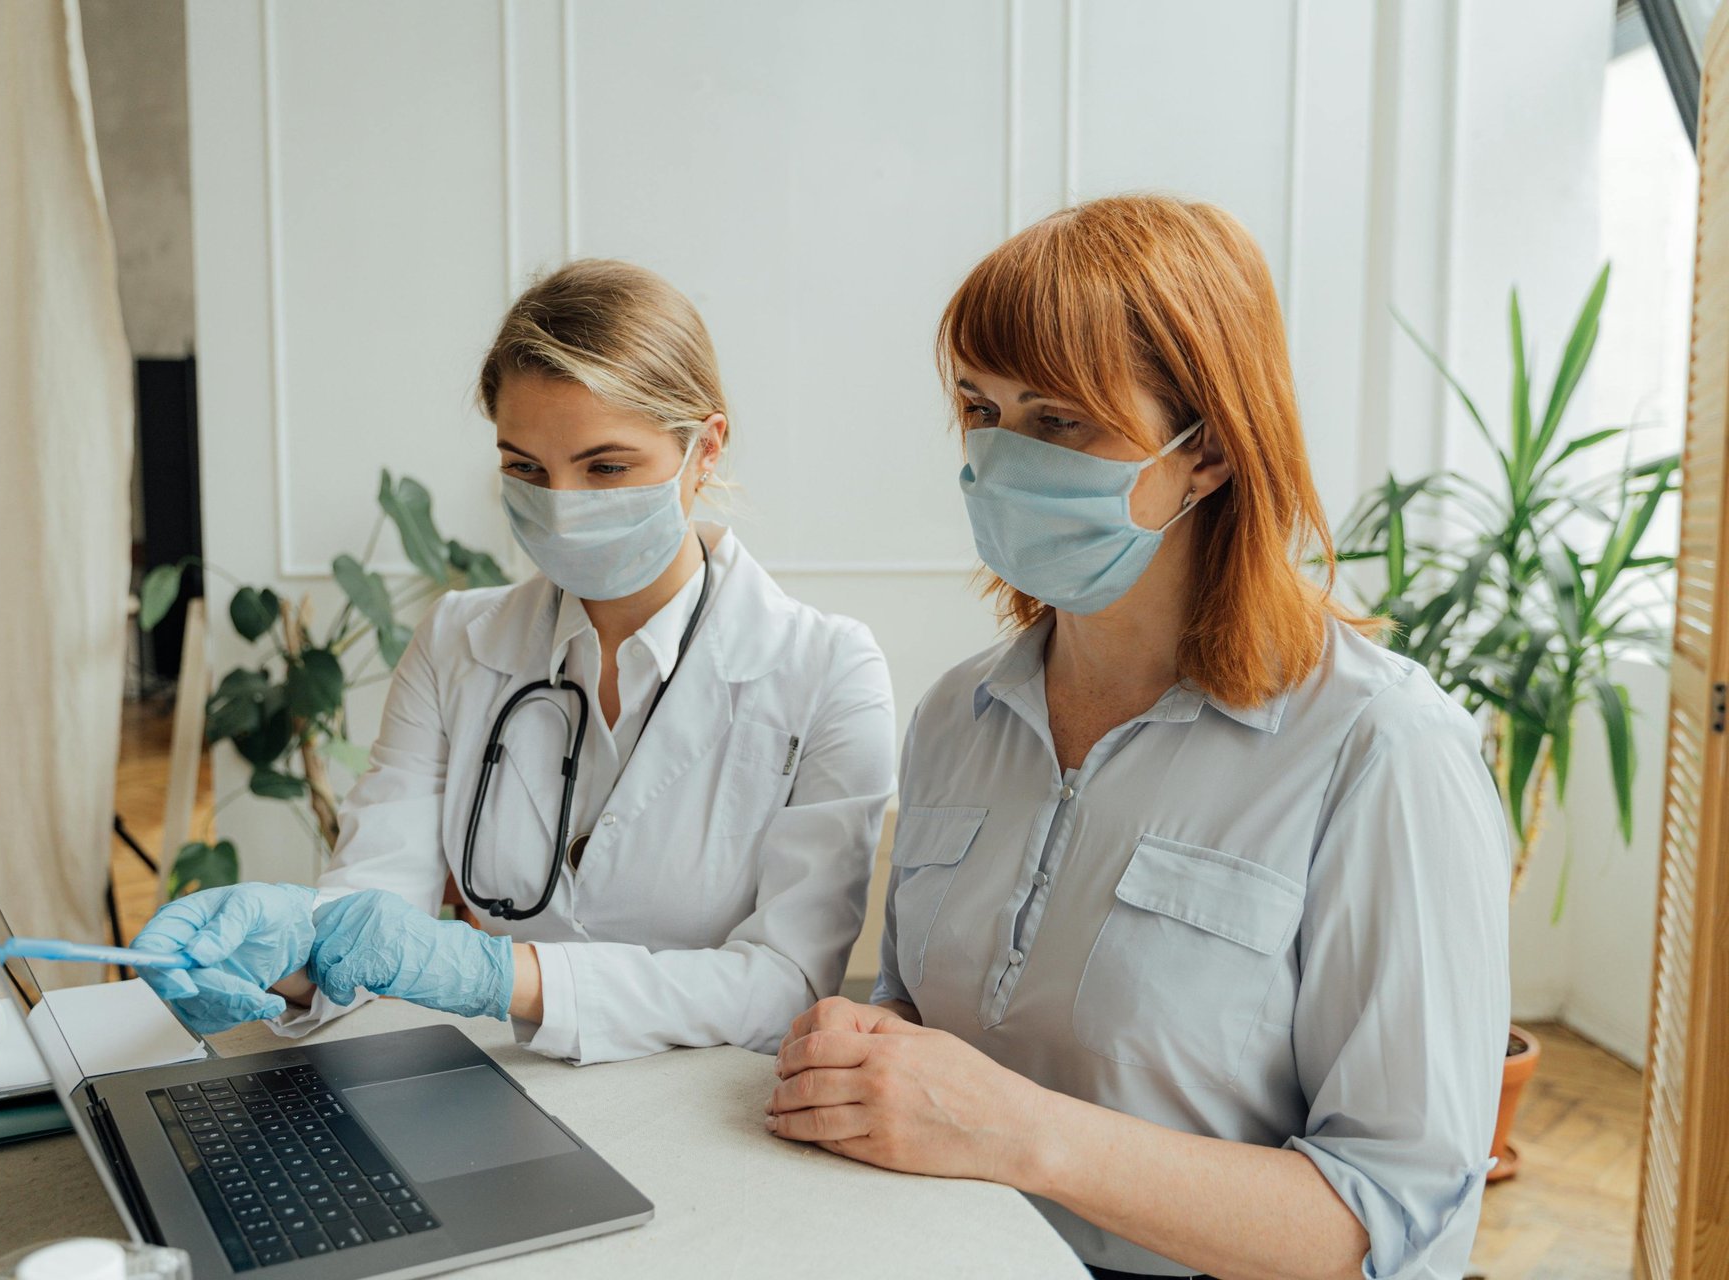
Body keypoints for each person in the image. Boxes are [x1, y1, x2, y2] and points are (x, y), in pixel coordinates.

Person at [765, 196, 1510, 1280]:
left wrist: (1023, 1132)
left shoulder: (1385, 749)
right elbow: (919, 1035)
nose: (999, 457)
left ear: (1205, 452)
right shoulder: (955, 716)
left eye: (1060, 420)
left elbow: (1383, 1216)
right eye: (980, 407)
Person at [135, 259, 895, 1065]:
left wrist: (504, 975)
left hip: (712, 1115)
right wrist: (283, 955)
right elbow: (373, 905)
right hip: (495, 1089)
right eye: (525, 469)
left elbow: (785, 985)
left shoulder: (826, 671)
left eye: (606, 467)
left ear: (705, 449)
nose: (562, 507)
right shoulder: (459, 641)